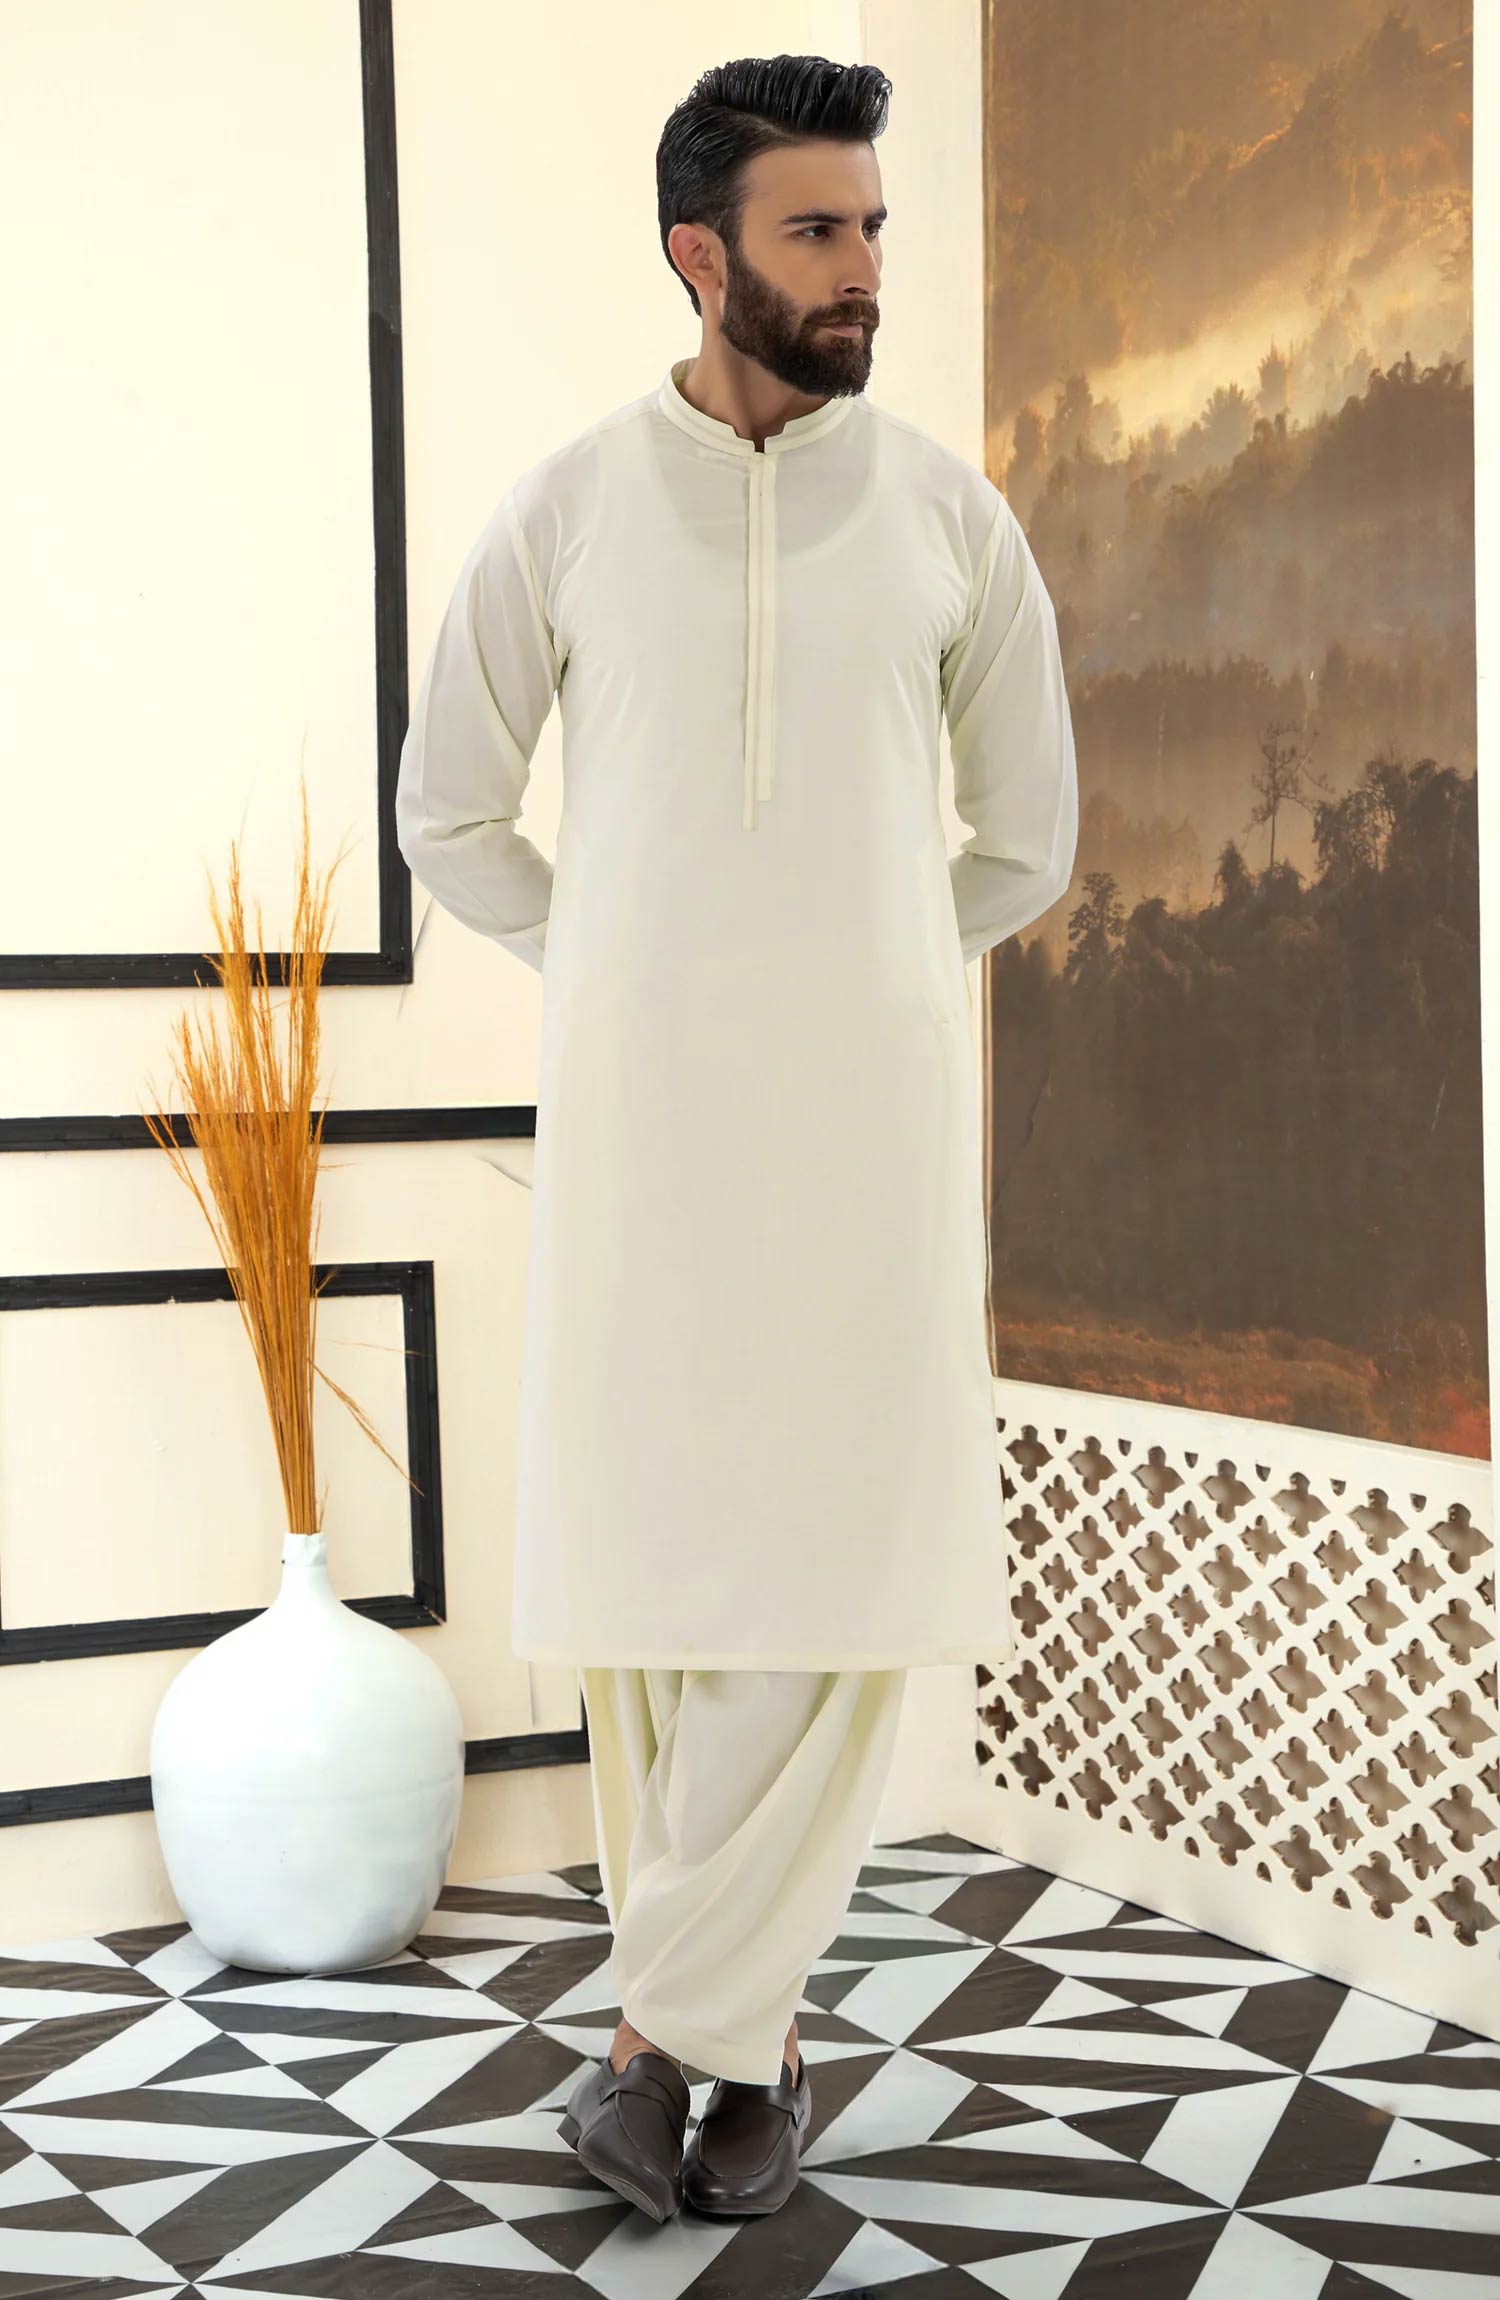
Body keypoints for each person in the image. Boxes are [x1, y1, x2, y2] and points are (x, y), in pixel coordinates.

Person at [395, 53, 1078, 2222]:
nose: (864, 267)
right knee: (655, 1577)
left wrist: (855, 975)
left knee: (828, 1574)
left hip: (870, 1145)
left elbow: (1030, 839)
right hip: (643, 1140)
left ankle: (649, 2042)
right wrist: (616, 958)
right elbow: (447, 812)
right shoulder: (571, 508)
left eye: (874, 226)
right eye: (817, 230)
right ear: (702, 255)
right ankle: (750, 2047)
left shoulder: (956, 519)